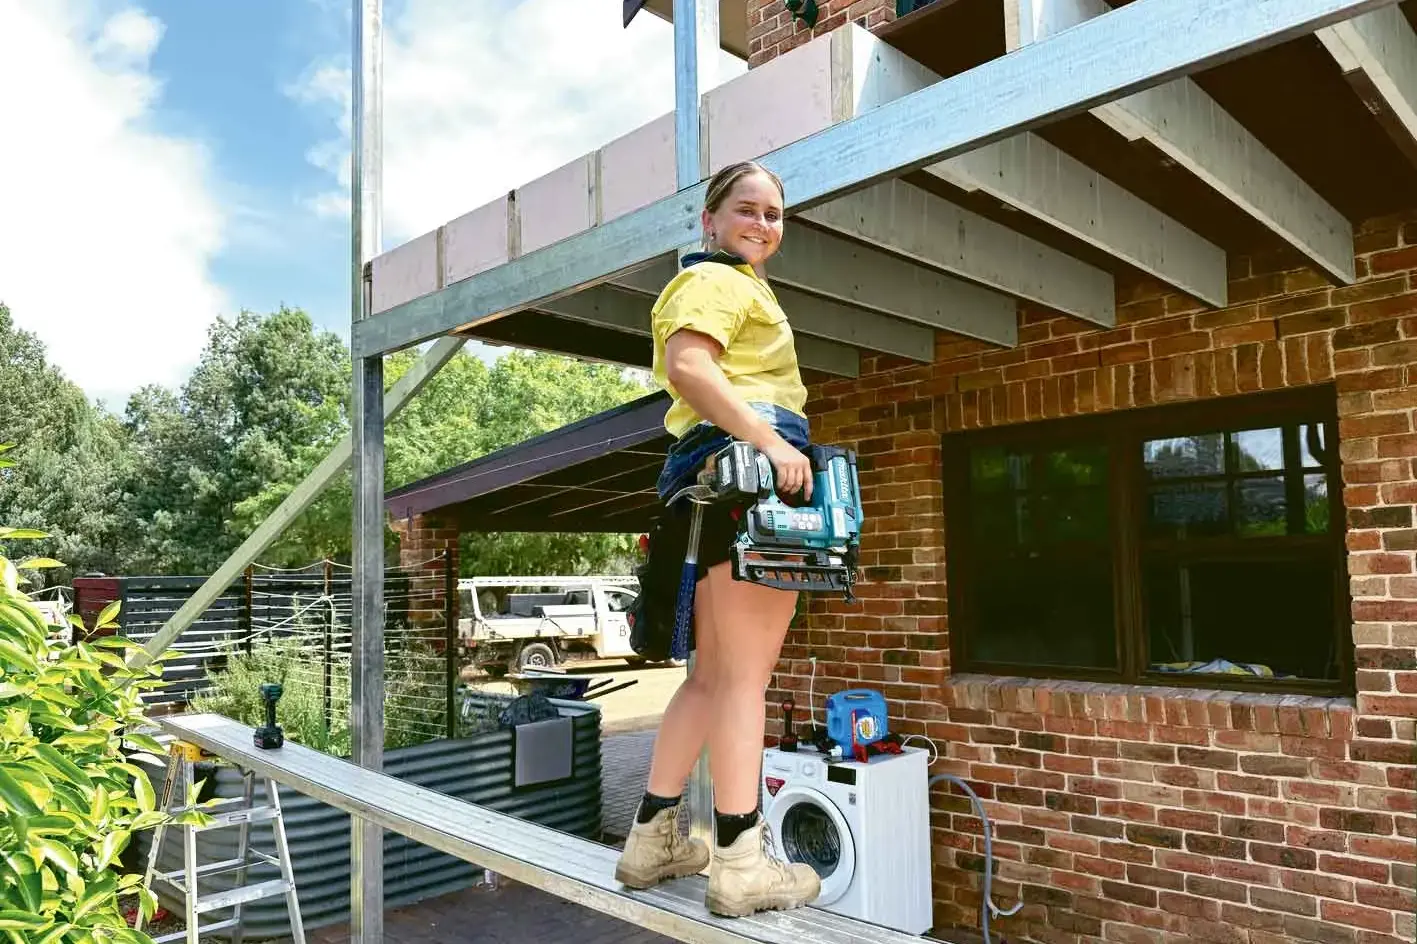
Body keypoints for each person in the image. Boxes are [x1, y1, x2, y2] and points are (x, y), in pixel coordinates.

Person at [612, 160, 821, 917]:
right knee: (743, 681)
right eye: (746, 209)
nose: (762, 223)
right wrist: (774, 445)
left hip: (710, 479)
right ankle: (739, 862)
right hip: (744, 479)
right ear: (709, 220)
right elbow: (689, 366)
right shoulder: (716, 281)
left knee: (709, 677)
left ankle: (652, 842)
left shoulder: (736, 283)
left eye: (774, 213)